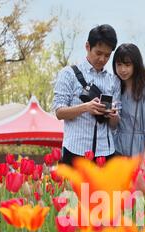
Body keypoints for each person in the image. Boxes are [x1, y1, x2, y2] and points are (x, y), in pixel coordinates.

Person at [52, 24, 121, 165]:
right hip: (75, 151)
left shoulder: (113, 80)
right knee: (73, 188)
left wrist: (113, 115)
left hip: (106, 152)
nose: (102, 59)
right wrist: (85, 107)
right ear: (88, 46)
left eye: (107, 55)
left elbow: (115, 125)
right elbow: (59, 112)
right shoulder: (68, 74)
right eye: (98, 53)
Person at [112, 43, 145, 168]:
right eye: (119, 64)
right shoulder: (115, 89)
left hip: (142, 153)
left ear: (136, 65)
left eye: (128, 65)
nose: (123, 69)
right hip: (119, 154)